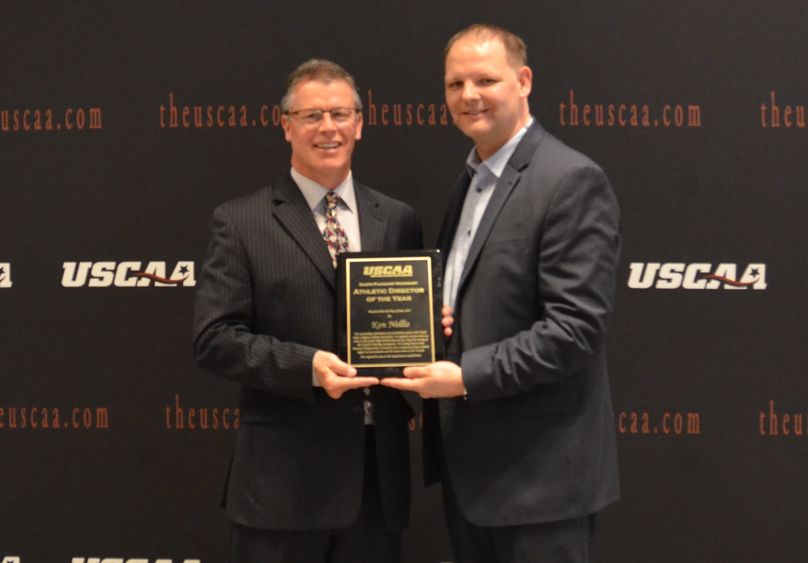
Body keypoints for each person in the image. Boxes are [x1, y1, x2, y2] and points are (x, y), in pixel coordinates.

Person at [383, 24, 621, 563]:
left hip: (541, 486)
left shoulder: (570, 180)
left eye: (485, 79)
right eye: (455, 83)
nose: (468, 96)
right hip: (474, 479)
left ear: (524, 80)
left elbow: (575, 331)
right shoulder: (471, 179)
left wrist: (465, 374)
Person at [193, 59, 422, 563]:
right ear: (286, 125)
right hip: (282, 489)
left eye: (340, 113)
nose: (328, 128)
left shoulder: (398, 219)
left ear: (360, 123)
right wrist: (308, 368)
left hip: (376, 484)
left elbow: (409, 329)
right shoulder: (241, 221)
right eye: (311, 115)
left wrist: (435, 335)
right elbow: (215, 338)